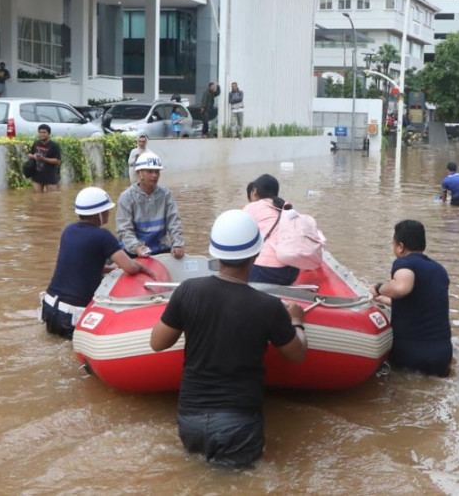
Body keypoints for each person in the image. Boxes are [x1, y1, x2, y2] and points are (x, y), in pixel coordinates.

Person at [150, 209, 308, 469]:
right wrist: (297, 321)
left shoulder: (188, 291)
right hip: (238, 428)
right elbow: (296, 354)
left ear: (216, 253)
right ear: (256, 254)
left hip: (190, 423)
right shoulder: (268, 306)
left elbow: (157, 342)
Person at [40, 187, 152, 339]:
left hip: (49, 308)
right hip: (72, 316)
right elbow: (130, 268)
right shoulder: (103, 236)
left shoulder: (68, 230)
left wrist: (107, 269)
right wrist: (141, 264)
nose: (108, 213)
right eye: (106, 210)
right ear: (98, 214)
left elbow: (78, 265)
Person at [371, 220, 452, 377]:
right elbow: (421, 302)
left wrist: (378, 288)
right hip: (442, 358)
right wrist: (385, 300)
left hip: (410, 357)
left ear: (400, 246)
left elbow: (401, 288)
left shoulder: (404, 263)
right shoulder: (440, 270)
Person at [116, 152, 186, 259]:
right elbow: (124, 229)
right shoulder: (126, 197)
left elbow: (174, 221)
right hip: (134, 250)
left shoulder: (165, 194)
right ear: (139, 173)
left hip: (160, 248)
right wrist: (137, 247)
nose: (154, 175)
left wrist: (177, 244)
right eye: (149, 172)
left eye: (157, 172)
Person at [243, 174, 300, 285]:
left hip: (265, 272)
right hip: (292, 272)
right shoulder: (287, 207)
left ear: (254, 191)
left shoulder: (252, 207)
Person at [27, 124, 62, 193]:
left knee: (52, 198)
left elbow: (57, 161)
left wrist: (43, 159)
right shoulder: (36, 143)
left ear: (49, 134)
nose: (42, 134)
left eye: (44, 132)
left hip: (50, 175)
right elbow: (29, 154)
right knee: (37, 197)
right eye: (40, 132)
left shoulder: (54, 145)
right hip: (37, 174)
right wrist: (34, 156)